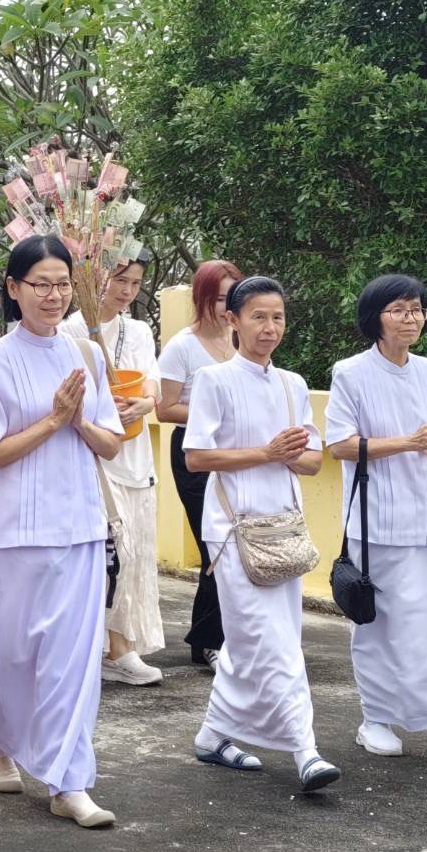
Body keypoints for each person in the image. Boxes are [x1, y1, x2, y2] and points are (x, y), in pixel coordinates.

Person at [0, 234, 124, 828]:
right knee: (10, 654)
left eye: (62, 284)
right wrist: (53, 419)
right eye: (41, 284)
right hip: (13, 531)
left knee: (71, 661)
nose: (53, 295)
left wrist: (77, 418)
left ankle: (68, 781)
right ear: (13, 289)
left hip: (79, 524)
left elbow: (110, 442)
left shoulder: (86, 354)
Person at [185, 276, 340, 793]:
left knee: (258, 644)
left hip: (283, 528)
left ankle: (212, 736)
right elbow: (197, 457)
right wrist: (266, 453)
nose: (270, 327)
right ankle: (306, 750)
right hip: (233, 531)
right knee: (272, 644)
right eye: (258, 316)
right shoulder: (214, 380)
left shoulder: (293, 385)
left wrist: (291, 454)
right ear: (232, 319)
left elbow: (315, 462)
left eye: (277, 317)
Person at [325, 275, 427, 759]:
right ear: (376, 318)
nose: (410, 318)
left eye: (417, 309)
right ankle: (375, 718)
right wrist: (406, 443)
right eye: (399, 309)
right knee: (377, 624)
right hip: (378, 523)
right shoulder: (351, 373)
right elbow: (338, 445)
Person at [61, 252, 165, 686]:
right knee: (109, 554)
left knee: (138, 551)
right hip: (94, 453)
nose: (125, 290)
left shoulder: (138, 329)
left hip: (135, 452)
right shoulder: (68, 330)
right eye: (119, 279)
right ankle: (99, 646)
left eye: (135, 283)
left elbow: (152, 381)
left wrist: (147, 401)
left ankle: (122, 643)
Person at [157, 259, 243, 668]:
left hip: (238, 454)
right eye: (223, 297)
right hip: (195, 454)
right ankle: (210, 641)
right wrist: (216, 412)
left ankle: (215, 635)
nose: (230, 306)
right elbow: (165, 408)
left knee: (237, 545)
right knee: (216, 546)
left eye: (235, 296)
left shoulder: (241, 338)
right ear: (204, 298)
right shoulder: (182, 346)